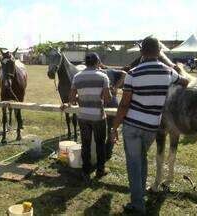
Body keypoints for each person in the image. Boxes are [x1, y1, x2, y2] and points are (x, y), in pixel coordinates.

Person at [110, 36, 189, 214]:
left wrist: (114, 127)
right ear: (159, 51)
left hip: (132, 126)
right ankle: (140, 196)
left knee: (133, 164)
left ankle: (137, 204)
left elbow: (124, 105)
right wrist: (175, 70)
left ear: (141, 51)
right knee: (142, 159)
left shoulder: (133, 73)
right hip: (151, 127)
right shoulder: (168, 73)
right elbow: (185, 82)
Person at [63, 52, 111, 181]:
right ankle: (100, 170)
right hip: (98, 117)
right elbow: (107, 99)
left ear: (85, 62)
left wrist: (82, 97)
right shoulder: (103, 76)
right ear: (97, 62)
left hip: (83, 116)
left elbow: (72, 99)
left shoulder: (77, 77)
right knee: (100, 144)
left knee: (85, 144)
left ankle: (86, 171)